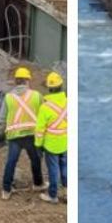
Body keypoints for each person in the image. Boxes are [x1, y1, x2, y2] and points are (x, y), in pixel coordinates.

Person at [0, 66, 43, 200]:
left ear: (15, 81)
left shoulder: (8, 97)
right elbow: (43, 116)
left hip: (14, 136)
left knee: (11, 162)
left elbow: (2, 118)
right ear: (28, 81)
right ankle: (38, 183)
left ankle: (6, 190)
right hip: (31, 134)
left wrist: (0, 132)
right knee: (35, 160)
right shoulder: (37, 95)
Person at [35, 71, 67, 204]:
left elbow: (39, 130)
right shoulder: (67, 102)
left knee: (53, 170)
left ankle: (53, 195)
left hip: (51, 144)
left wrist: (38, 145)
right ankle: (67, 192)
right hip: (65, 142)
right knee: (65, 167)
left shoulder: (45, 107)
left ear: (49, 88)